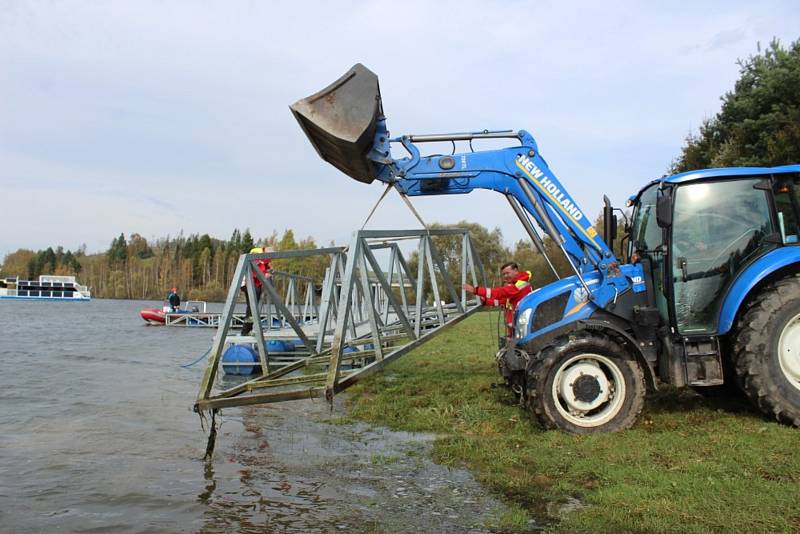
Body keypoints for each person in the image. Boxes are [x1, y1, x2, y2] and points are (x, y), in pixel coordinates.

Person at [463, 262, 532, 336]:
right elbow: (504, 301)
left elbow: (501, 292)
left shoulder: (520, 284)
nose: (505, 276)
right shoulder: (517, 283)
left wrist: (476, 290)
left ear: (515, 270)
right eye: (503, 274)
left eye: (507, 273)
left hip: (521, 325)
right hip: (516, 325)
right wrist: (486, 301)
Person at [240, 247, 273, 336]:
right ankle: (245, 331)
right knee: (251, 308)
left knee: (252, 308)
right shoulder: (257, 256)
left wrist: (267, 271)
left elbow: (264, 268)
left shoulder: (262, 260)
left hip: (253, 284)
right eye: (270, 258)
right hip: (249, 284)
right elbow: (254, 270)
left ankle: (247, 329)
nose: (270, 260)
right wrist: (265, 274)